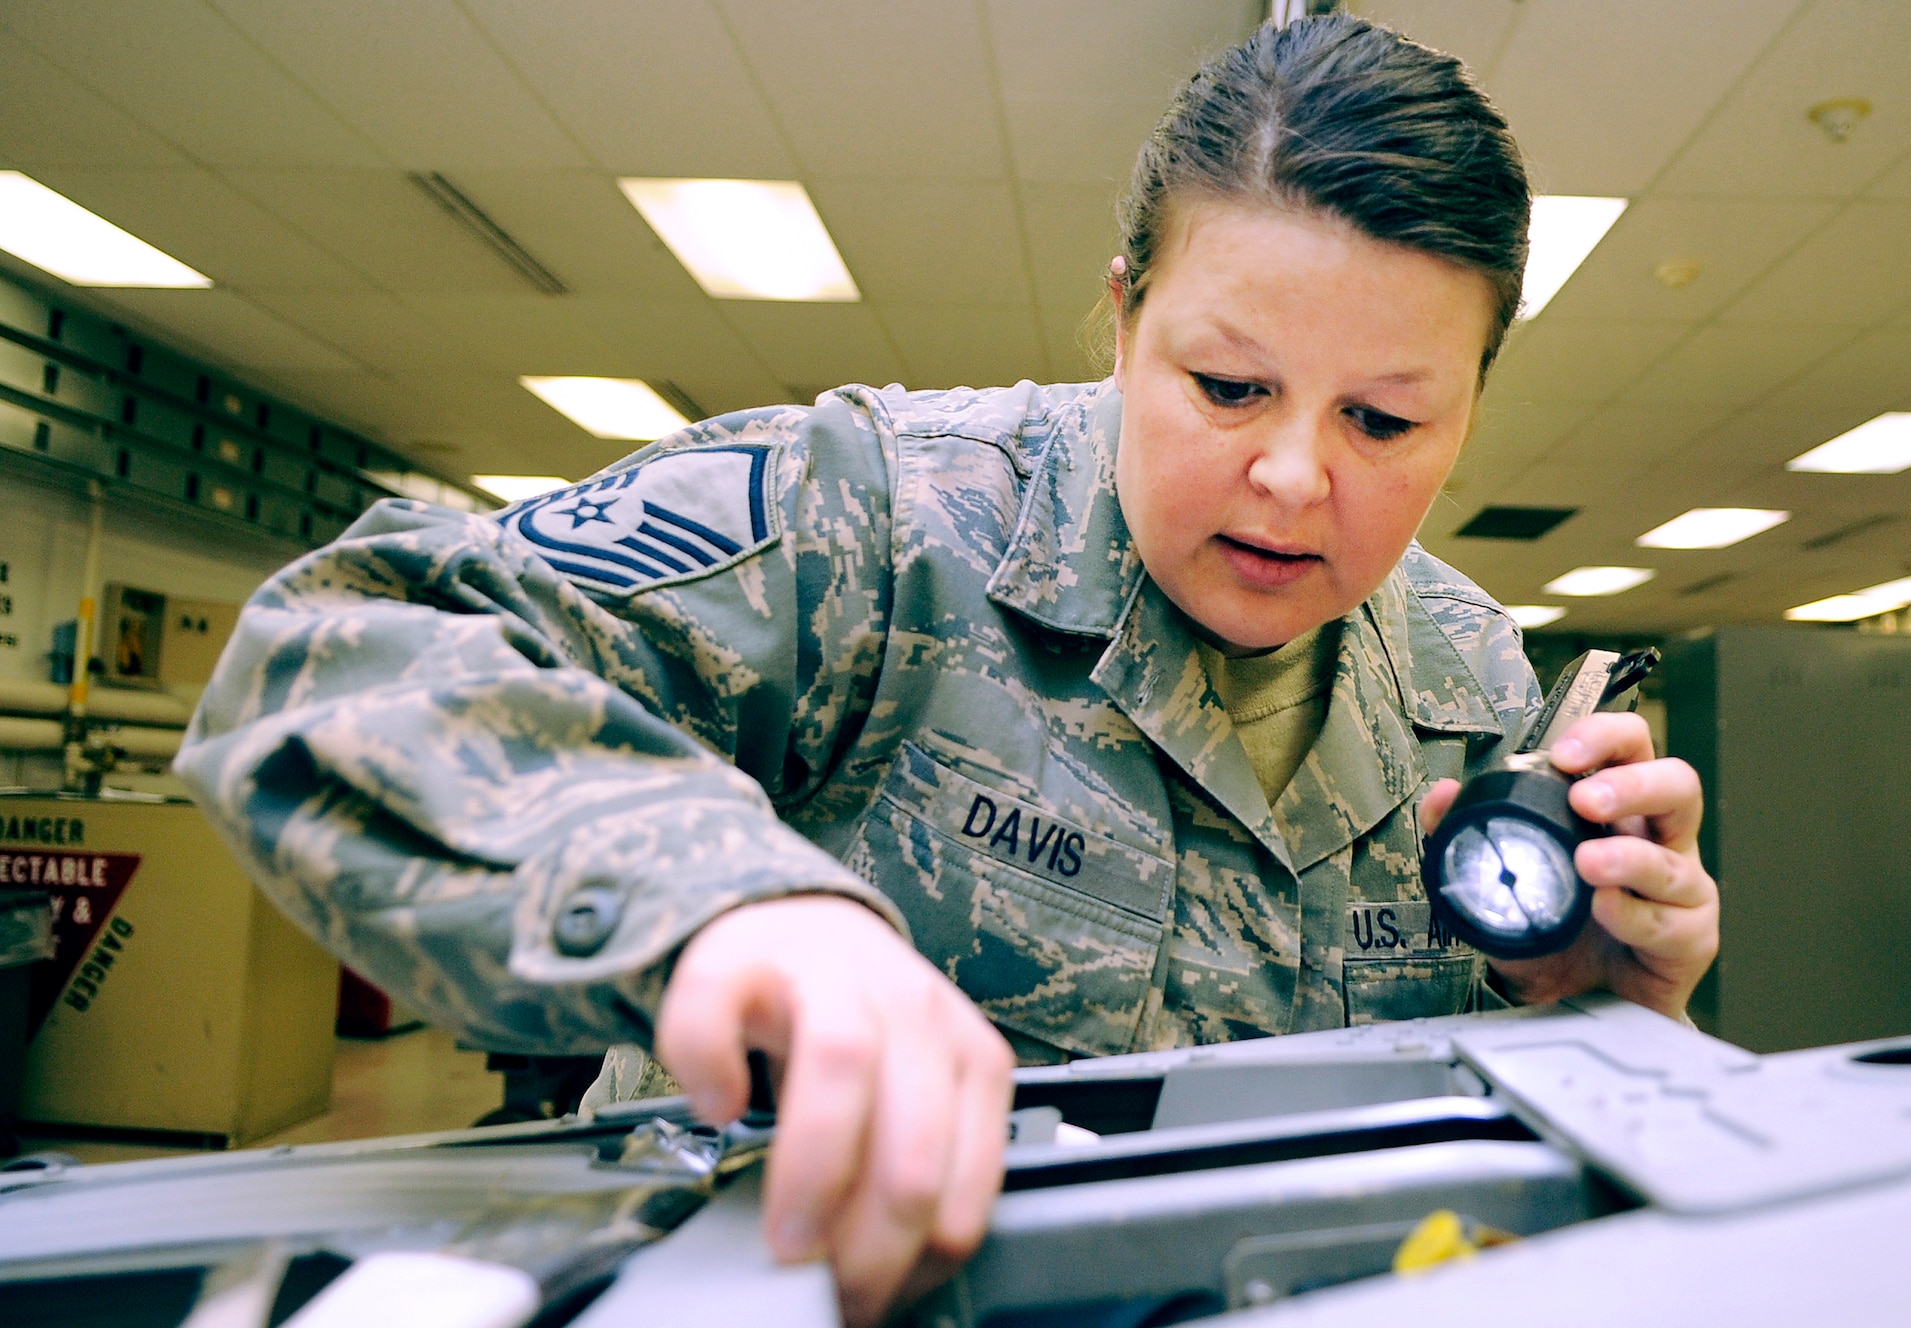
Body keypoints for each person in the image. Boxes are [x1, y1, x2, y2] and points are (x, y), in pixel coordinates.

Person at [175, 12, 1717, 1324]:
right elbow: (356, 647)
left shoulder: (1471, 665)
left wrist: (1591, 1013)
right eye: (1230, 386)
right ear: (1122, 322)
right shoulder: (881, 513)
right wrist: (728, 901)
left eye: (1385, 422)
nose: (1295, 479)